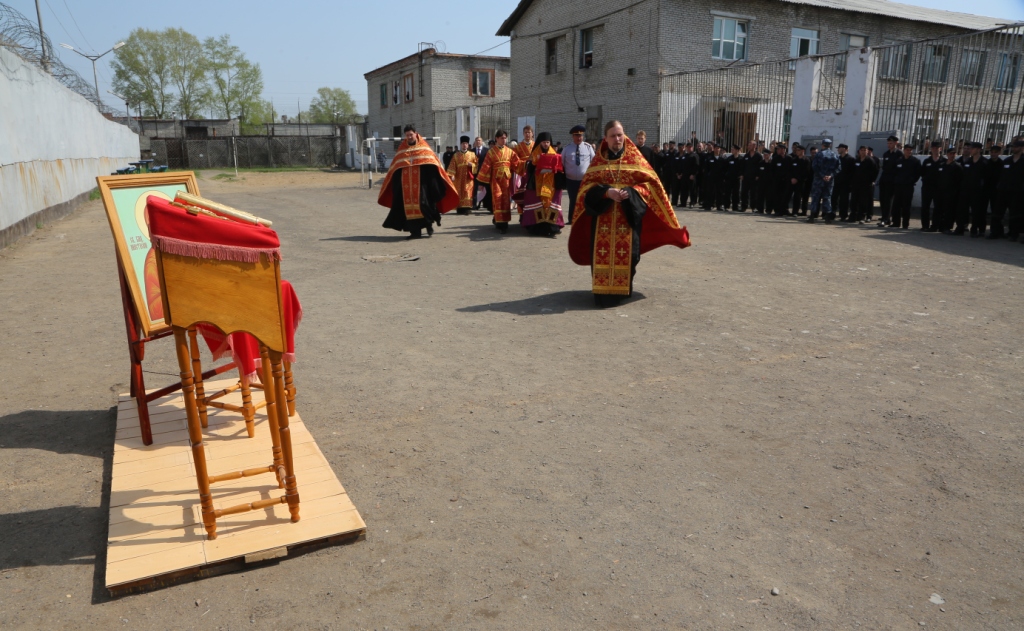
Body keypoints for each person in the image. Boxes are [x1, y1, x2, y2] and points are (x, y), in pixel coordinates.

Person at [568, 120, 690, 307]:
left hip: (628, 217)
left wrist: (631, 193)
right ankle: (602, 292)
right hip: (603, 220)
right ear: (605, 139)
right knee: (600, 254)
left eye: (620, 135)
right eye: (613, 136)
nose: (617, 139)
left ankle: (623, 289)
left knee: (631, 256)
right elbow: (586, 190)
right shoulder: (598, 162)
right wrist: (606, 193)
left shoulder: (635, 159)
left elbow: (651, 186)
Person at [378, 125, 458, 239]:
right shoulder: (402, 150)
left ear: (416, 133)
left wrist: (433, 182)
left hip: (423, 184)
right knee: (408, 208)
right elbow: (395, 168)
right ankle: (414, 232)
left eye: (411, 134)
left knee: (424, 205)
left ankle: (428, 225)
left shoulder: (424, 148)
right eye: (407, 135)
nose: (409, 137)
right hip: (406, 186)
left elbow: (433, 165)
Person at [519, 131, 566, 237]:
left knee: (550, 205)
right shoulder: (534, 154)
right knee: (538, 206)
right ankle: (537, 228)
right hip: (536, 185)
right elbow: (529, 169)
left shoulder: (554, 154)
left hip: (551, 184)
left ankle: (552, 227)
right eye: (544, 142)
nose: (546, 144)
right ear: (540, 142)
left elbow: (560, 169)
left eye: (548, 142)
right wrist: (535, 163)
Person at [476, 129, 521, 234]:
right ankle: (499, 223)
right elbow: (485, 167)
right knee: (497, 199)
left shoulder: (510, 151)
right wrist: (482, 183)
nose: (504, 140)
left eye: (505, 138)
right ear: (497, 139)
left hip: (506, 181)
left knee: (505, 201)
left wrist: (527, 164)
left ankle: (504, 222)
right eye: (502, 138)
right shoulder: (491, 152)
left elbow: (517, 164)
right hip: (495, 180)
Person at [988, 139, 1024, 240]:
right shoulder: (1007, 160)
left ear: (1021, 148)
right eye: (1013, 147)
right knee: (997, 212)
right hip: (1003, 190)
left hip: (1017, 192)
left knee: (1015, 214)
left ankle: (1013, 233)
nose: (1013, 149)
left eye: (1016, 147)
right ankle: (995, 232)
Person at [562, 124, 596, 226]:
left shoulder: (588, 148)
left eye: (581, 136)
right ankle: (571, 219)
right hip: (571, 180)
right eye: (577, 135)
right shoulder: (567, 149)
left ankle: (585, 220)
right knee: (573, 200)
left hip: (584, 180)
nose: (579, 138)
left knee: (584, 200)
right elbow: (562, 163)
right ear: (573, 136)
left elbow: (593, 162)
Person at [808, 138, 841, 223]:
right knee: (827, 198)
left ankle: (812, 216)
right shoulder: (835, 155)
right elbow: (838, 168)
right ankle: (827, 217)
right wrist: (830, 176)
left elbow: (815, 167)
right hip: (829, 180)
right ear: (830, 145)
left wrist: (822, 175)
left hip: (819, 179)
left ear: (822, 145)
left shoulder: (819, 154)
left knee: (815, 197)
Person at [958, 142, 987, 236]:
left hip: (978, 192)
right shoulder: (968, 162)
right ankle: (960, 228)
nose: (970, 150)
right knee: (962, 210)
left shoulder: (984, 162)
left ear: (978, 149)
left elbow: (987, 178)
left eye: (972, 148)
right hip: (966, 190)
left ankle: (974, 229)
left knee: (976, 211)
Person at [892, 144, 922, 229]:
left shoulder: (915, 161)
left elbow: (918, 174)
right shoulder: (899, 160)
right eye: (907, 150)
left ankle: (905, 224)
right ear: (904, 150)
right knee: (896, 205)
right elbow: (895, 172)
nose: (909, 151)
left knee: (906, 206)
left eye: (910, 150)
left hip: (908, 186)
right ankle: (896, 223)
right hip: (898, 186)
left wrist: (911, 181)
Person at [446, 135, 478, 215]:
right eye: (463, 143)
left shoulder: (472, 154)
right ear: (461, 144)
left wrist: (473, 165)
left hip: (468, 178)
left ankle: (467, 208)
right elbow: (452, 166)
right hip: (459, 177)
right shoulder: (456, 155)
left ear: (468, 145)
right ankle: (460, 208)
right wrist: (452, 175)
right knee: (459, 192)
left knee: (468, 191)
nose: (464, 145)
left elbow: (477, 165)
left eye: (466, 143)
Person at [935, 147, 963, 234]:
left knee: (949, 210)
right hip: (940, 191)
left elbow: (959, 180)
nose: (952, 155)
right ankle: (939, 226)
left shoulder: (957, 166)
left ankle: (947, 227)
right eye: (950, 153)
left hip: (951, 192)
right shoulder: (942, 165)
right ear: (947, 154)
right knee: (939, 209)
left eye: (954, 154)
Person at [848, 146, 879, 224]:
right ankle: (853, 216)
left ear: (867, 151)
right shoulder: (856, 160)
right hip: (856, 184)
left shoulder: (870, 161)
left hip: (865, 184)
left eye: (864, 150)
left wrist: (872, 181)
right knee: (854, 200)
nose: (863, 152)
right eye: (861, 150)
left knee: (863, 201)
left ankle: (862, 217)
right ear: (859, 151)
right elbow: (852, 171)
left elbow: (875, 171)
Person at [878, 135, 903, 227]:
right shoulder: (886, 154)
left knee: (888, 200)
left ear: (896, 143)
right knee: (882, 199)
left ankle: (886, 218)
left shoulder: (899, 154)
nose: (889, 145)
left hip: (892, 180)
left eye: (891, 143)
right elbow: (884, 167)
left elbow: (899, 168)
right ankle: (884, 218)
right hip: (884, 179)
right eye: (888, 143)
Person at [919, 141, 944, 231]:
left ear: (940, 149)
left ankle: (935, 226)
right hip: (927, 188)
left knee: (938, 207)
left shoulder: (944, 161)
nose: (935, 150)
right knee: (925, 207)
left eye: (937, 148)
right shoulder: (927, 161)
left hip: (938, 189)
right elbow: (922, 173)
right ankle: (925, 225)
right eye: (933, 148)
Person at [512, 125, 535, 213]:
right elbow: (515, 160)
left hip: (533, 173)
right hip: (522, 174)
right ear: (523, 134)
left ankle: (532, 213)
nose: (527, 134)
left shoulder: (536, 145)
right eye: (525, 132)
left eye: (529, 132)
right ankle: (521, 213)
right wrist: (525, 163)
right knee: (522, 193)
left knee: (532, 193)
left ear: (532, 134)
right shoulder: (518, 147)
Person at [767, 143, 792, 216]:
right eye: (777, 149)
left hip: (786, 181)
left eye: (779, 149)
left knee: (785, 196)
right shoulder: (775, 158)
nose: (777, 150)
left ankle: (784, 210)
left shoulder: (789, 158)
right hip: (777, 181)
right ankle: (777, 210)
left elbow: (791, 170)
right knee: (777, 196)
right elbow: (772, 170)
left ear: (783, 149)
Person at [789, 144, 810, 216]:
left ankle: (798, 211)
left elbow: (806, 172)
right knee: (792, 197)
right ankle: (792, 211)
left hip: (801, 182)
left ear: (803, 151)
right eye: (796, 150)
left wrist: (797, 179)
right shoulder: (794, 159)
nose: (796, 151)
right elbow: (790, 170)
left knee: (798, 197)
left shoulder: (806, 160)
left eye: (798, 150)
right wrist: (792, 178)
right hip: (792, 181)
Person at [741, 141, 762, 212]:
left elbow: (760, 166)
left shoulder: (758, 156)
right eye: (748, 145)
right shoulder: (746, 156)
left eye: (750, 145)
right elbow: (742, 166)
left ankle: (754, 207)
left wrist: (758, 175)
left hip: (754, 178)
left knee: (754, 193)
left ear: (755, 146)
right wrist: (742, 174)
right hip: (746, 177)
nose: (748, 146)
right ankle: (743, 207)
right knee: (744, 192)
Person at [721, 145, 743, 212]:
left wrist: (741, 175)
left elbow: (742, 168)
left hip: (736, 179)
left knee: (736, 193)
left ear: (737, 150)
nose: (732, 150)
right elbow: (725, 168)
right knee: (727, 193)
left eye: (733, 149)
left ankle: (735, 207)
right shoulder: (729, 159)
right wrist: (725, 176)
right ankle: (726, 206)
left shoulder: (741, 159)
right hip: (729, 179)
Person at [472, 136, 489, 210]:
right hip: (474, 173)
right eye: (477, 140)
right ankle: (474, 204)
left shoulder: (486, 150)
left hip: (484, 172)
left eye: (479, 140)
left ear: (482, 142)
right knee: (474, 188)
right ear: (475, 142)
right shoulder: (471, 151)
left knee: (485, 188)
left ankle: (486, 204)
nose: (478, 142)